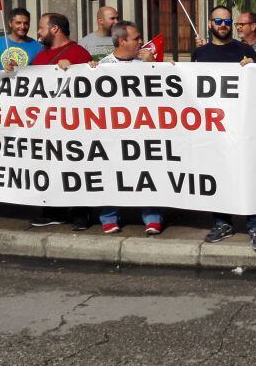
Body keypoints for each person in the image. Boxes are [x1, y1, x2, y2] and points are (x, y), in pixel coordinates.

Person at [192, 6, 256, 253]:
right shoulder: (199, 53)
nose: (223, 24)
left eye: (227, 20)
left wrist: (252, 68)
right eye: (218, 20)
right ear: (210, 23)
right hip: (214, 127)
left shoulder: (245, 50)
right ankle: (222, 223)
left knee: (249, 174)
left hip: (243, 126)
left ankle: (255, 225)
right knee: (219, 175)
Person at [94, 20, 167, 236]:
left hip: (143, 131)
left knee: (148, 171)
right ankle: (109, 217)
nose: (141, 42)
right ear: (121, 41)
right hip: (112, 133)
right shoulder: (101, 66)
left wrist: (153, 64)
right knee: (110, 171)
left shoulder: (146, 63)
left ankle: (152, 217)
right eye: (136, 38)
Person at [28, 13, 94, 229]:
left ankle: (80, 213)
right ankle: (52, 210)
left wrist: (76, 70)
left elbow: (93, 86)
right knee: (50, 167)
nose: (38, 32)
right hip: (47, 127)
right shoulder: (40, 57)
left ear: (54, 29)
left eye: (41, 27)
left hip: (74, 128)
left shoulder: (78, 53)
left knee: (76, 168)